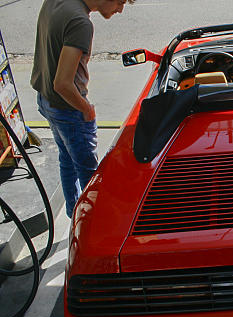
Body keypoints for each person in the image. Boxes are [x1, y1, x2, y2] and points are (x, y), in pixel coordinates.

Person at [30, 0, 135, 217]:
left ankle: (73, 214)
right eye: (120, 1)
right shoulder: (81, 22)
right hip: (69, 111)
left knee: (67, 160)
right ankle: (91, 227)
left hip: (46, 101)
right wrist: (86, 109)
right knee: (90, 176)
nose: (120, 9)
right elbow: (62, 84)